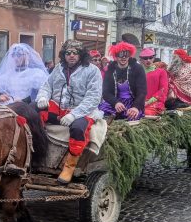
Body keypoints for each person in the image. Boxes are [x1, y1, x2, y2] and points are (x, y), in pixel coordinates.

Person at [35, 40, 103, 184]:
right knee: (32, 110)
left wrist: (74, 114)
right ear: (64, 55)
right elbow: (47, 86)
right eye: (68, 53)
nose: (71, 55)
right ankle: (34, 150)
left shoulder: (92, 70)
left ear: (81, 54)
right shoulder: (58, 68)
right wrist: (42, 97)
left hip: (82, 110)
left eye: (75, 53)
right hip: (59, 108)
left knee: (78, 128)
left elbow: (93, 97)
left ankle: (69, 166)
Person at [99, 41, 147, 120]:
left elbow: (142, 91)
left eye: (126, 54)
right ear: (116, 56)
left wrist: (136, 107)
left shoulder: (137, 68)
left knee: (132, 116)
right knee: (101, 113)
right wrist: (116, 103)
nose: (123, 57)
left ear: (130, 55)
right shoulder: (110, 70)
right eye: (120, 55)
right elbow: (106, 92)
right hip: (115, 102)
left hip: (133, 103)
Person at [139, 48, 168, 116]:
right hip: (139, 103)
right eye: (145, 58)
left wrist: (148, 102)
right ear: (141, 60)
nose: (148, 60)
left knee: (143, 113)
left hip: (155, 104)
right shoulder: (137, 72)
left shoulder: (161, 72)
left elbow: (163, 90)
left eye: (150, 57)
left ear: (153, 58)